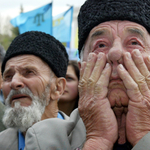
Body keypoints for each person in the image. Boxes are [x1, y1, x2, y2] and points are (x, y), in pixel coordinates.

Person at [25, 0, 150, 149]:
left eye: (134, 43)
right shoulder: (44, 138)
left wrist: (143, 134)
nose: (115, 53)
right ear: (82, 70)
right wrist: (97, 140)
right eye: (101, 45)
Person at [0, 31, 69, 150]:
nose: (14, 82)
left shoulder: (85, 140)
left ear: (58, 88)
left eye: (29, 73)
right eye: (8, 76)